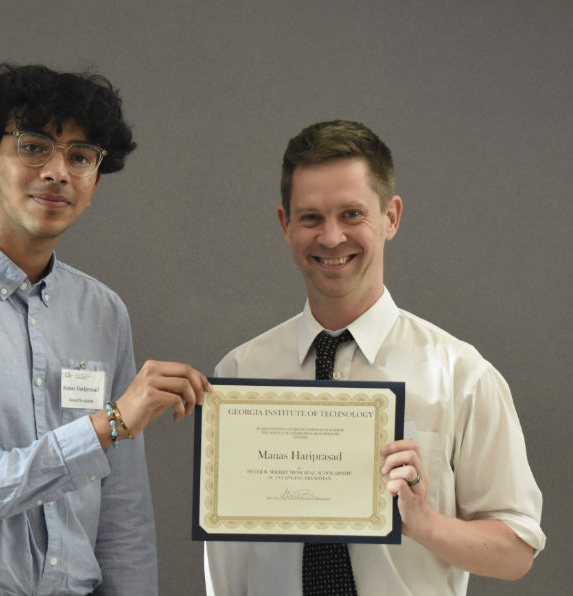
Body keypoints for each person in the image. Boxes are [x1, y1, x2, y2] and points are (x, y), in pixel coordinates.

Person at [0, 63, 210, 596]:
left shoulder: (104, 312)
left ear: (94, 179)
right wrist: (107, 424)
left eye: (80, 156)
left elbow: (123, 514)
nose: (57, 172)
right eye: (33, 147)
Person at [204, 120, 545, 596]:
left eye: (351, 214)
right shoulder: (239, 374)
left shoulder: (461, 376)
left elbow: (517, 551)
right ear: (285, 224)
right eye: (310, 218)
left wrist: (425, 522)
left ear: (391, 217)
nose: (330, 237)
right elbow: (227, 558)